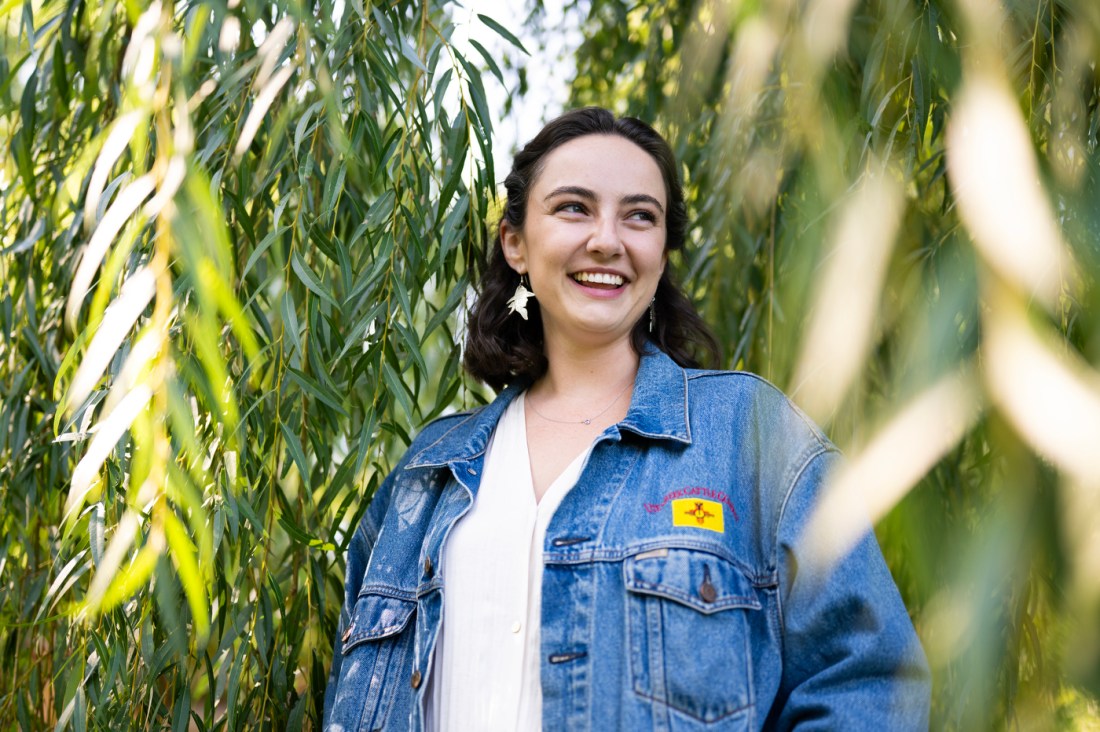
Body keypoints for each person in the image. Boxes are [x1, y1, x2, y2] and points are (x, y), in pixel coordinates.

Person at [323, 107, 930, 731]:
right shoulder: (426, 475)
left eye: (640, 216)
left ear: (662, 255)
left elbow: (868, 686)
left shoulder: (751, 437)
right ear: (517, 244)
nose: (608, 240)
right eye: (574, 208)